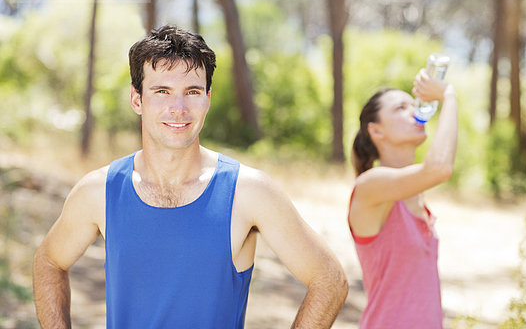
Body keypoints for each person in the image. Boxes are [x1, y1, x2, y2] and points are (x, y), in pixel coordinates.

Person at [33, 25, 348, 329]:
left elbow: (329, 280)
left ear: (207, 99)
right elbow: (49, 263)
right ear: (136, 99)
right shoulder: (99, 190)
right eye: (162, 91)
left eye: (192, 91)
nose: (178, 108)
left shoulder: (248, 192)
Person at [347, 68, 458, 328]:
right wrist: (449, 97)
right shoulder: (369, 186)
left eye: (414, 104)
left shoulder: (418, 199)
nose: (415, 111)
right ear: (377, 131)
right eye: (400, 108)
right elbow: (440, 168)